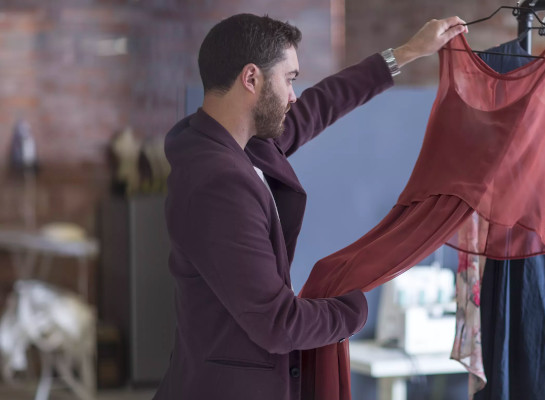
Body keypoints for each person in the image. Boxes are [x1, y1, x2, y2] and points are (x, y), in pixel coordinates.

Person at [153, 13, 468, 400]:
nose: (293, 96)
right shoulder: (219, 183)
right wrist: (354, 308)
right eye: (289, 78)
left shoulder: (239, 146)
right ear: (251, 79)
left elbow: (321, 105)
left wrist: (406, 53)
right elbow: (278, 323)